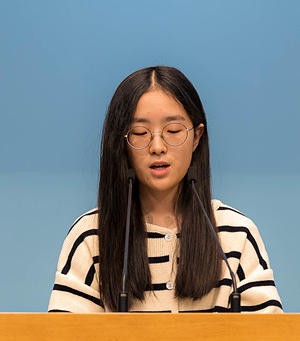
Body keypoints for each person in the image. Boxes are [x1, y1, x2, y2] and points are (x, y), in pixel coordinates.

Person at [48, 66, 283, 313]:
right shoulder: (91, 236)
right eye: (140, 133)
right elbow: (64, 336)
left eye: (173, 131)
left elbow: (271, 335)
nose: (157, 146)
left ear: (196, 137)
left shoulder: (236, 234)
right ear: (122, 143)